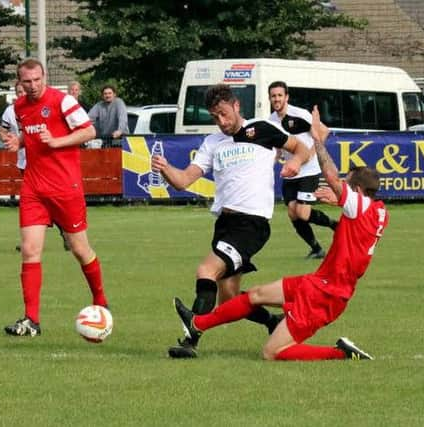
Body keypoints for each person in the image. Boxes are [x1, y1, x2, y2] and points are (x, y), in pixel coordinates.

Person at [171, 105, 389, 361]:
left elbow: (330, 176)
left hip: (327, 295)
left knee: (271, 353)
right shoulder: (376, 211)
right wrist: (338, 200)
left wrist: (318, 141)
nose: (343, 185)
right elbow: (354, 223)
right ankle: (198, 323)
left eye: (348, 183)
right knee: (256, 295)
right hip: (318, 283)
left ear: (360, 191)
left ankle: (341, 354)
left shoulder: (360, 205)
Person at [151, 84, 314, 358]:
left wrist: (296, 162)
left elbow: (301, 148)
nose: (222, 122)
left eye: (224, 114)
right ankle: (274, 322)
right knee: (231, 300)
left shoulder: (261, 129)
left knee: (206, 270)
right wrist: (166, 168)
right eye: (215, 117)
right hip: (225, 226)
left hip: (252, 225)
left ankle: (191, 340)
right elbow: (183, 181)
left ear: (236, 106)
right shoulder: (212, 143)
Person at [1, 58, 109, 336]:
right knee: (29, 250)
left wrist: (57, 141)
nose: (33, 85)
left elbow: (89, 130)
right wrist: (18, 141)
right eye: (28, 81)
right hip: (34, 188)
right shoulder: (19, 108)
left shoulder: (63, 101)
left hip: (65, 188)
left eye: (38, 80)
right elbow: (31, 135)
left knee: (80, 250)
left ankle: (101, 301)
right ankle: (31, 320)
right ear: (19, 82)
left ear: (44, 77)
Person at [268, 81, 337, 260]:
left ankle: (334, 225)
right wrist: (270, 163)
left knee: (302, 212)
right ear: (270, 98)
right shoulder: (271, 121)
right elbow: (276, 148)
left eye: (279, 95)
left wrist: (312, 153)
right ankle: (316, 248)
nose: (276, 99)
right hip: (291, 171)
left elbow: (324, 131)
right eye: (273, 96)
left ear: (286, 97)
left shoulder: (299, 114)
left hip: (309, 170)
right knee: (292, 212)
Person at [1, 82, 70, 252]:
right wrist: (7, 137)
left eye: (23, 91)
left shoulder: (43, 106)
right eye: (18, 91)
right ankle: (30, 241)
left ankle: (67, 232)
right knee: (32, 203)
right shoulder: (12, 110)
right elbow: (2, 130)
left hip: (45, 163)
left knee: (51, 202)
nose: (21, 93)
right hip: (25, 162)